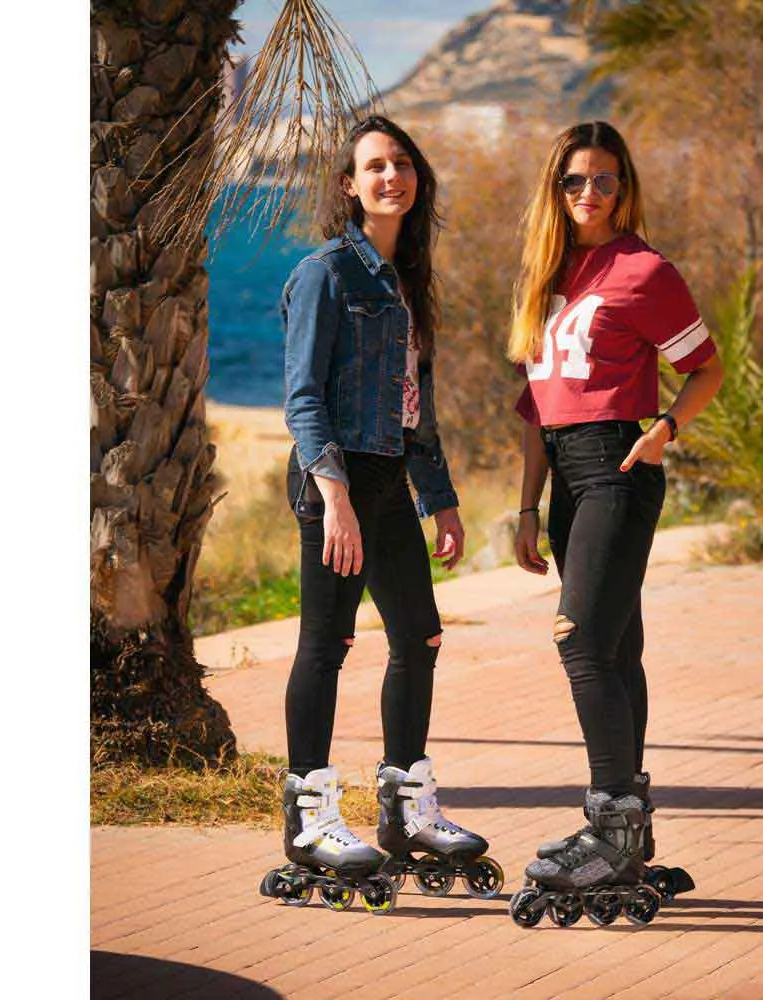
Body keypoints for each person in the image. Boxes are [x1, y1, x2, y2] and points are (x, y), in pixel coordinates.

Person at [259, 116, 501, 914]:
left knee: (419, 637)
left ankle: (404, 807)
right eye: (374, 166)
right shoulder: (325, 273)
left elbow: (414, 407)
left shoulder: (408, 282)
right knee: (326, 644)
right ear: (350, 185)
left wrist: (442, 500)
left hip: (391, 480)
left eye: (402, 164)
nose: (390, 176)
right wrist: (335, 497)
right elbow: (301, 398)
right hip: (335, 483)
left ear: (416, 179)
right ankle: (309, 817)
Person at [507, 121, 724, 925]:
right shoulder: (547, 274)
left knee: (581, 644)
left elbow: (706, 369)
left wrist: (665, 429)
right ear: (555, 189)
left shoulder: (644, 270)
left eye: (603, 179)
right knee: (617, 649)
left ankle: (610, 827)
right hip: (566, 476)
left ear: (624, 187)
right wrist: (527, 508)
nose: (588, 193)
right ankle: (631, 829)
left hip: (618, 468)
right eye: (573, 180)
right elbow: (536, 409)